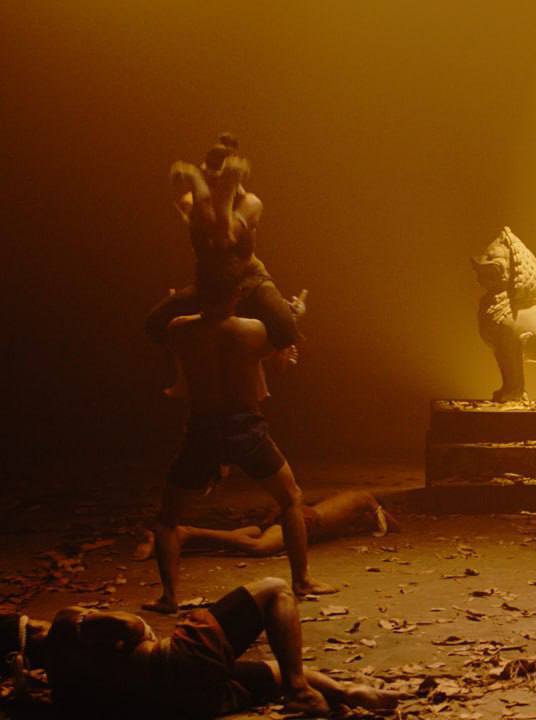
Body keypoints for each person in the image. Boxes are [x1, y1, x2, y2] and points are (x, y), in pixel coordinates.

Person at [147, 270, 334, 614]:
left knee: (168, 519)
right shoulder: (253, 330)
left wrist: (175, 300)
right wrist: (292, 315)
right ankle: (302, 581)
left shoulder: (180, 328)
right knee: (291, 499)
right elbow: (279, 356)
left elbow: (165, 333)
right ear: (236, 297)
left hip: (202, 428)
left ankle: (169, 597)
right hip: (244, 426)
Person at [1, 579, 402, 719]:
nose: (39, 621)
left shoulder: (62, 693)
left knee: (267, 672)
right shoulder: (65, 624)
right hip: (178, 663)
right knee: (275, 590)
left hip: (182, 704)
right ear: (28, 633)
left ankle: (345, 693)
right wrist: (139, 631)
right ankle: (301, 690)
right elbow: (128, 625)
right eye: (31, 623)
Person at [145, 133, 305, 356]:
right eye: (209, 180)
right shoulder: (191, 201)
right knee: (154, 325)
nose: (213, 185)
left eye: (219, 181)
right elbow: (215, 236)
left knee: (285, 330)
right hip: (211, 284)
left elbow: (225, 237)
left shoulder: (251, 203)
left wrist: (216, 184)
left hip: (251, 279)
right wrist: (201, 183)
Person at [134, 491, 398, 560]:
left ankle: (166, 540)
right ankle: (188, 532)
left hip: (305, 519)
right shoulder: (365, 499)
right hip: (306, 521)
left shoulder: (351, 512)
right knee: (259, 547)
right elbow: (392, 525)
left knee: (246, 536)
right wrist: (381, 512)